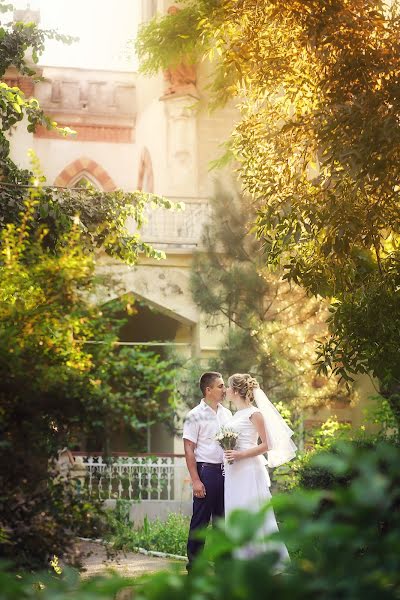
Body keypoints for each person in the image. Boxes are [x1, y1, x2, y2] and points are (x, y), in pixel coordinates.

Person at [223, 373, 297, 564]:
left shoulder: (254, 414)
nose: (226, 390)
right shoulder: (235, 415)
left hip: (249, 470)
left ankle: (262, 560)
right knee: (235, 511)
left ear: (237, 391)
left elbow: (267, 444)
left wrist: (240, 455)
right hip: (233, 471)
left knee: (251, 511)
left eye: (229, 387)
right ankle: (241, 559)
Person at [182, 371, 232, 571]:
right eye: (220, 386)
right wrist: (195, 480)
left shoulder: (226, 413)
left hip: (227, 473)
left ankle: (223, 566)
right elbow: (188, 448)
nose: (224, 389)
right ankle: (194, 567)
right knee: (200, 522)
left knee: (223, 522)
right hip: (207, 472)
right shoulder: (194, 415)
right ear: (208, 390)